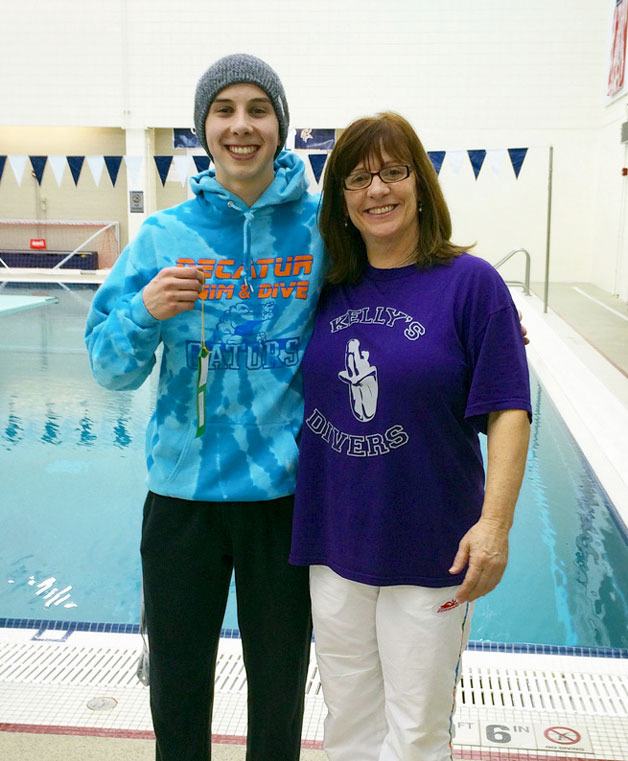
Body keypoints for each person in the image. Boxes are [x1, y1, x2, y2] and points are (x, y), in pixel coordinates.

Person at [85, 54, 326, 761]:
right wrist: (142, 311)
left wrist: (477, 325)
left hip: (284, 497)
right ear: (203, 127)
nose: (241, 125)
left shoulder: (319, 230)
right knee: (178, 692)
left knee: (278, 693)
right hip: (182, 500)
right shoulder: (163, 236)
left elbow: (390, 294)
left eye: (258, 108)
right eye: (224, 110)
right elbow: (109, 369)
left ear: (280, 125)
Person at [289, 112, 532, 761]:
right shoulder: (325, 288)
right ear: (341, 199)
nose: (378, 190)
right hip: (335, 539)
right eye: (359, 178)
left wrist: (496, 524)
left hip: (431, 547)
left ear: (420, 182)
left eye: (393, 171)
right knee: (347, 720)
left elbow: (509, 406)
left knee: (418, 732)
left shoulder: (470, 285)